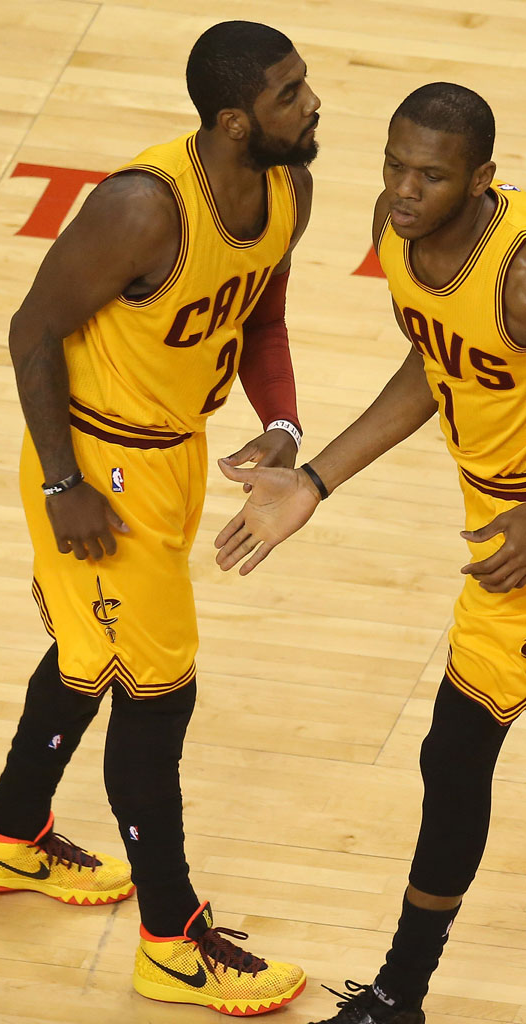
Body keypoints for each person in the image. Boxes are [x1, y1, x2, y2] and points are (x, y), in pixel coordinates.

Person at [0, 20, 320, 1016]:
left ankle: (8, 832)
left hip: (174, 454)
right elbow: (30, 329)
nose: (311, 103)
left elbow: (261, 317)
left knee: (94, 653)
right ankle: (171, 937)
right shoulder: (140, 208)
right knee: (157, 695)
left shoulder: (286, 185)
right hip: (96, 468)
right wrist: (60, 485)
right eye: (290, 94)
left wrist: (280, 421)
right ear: (235, 122)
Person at [215, 82, 526, 1023]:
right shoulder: (399, 238)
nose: (404, 188)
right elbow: (434, 365)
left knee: (456, 756)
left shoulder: (517, 271)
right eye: (395, 164)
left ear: (483, 179)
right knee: (455, 759)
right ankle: (400, 996)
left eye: (431, 175)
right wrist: (314, 482)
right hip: (502, 548)